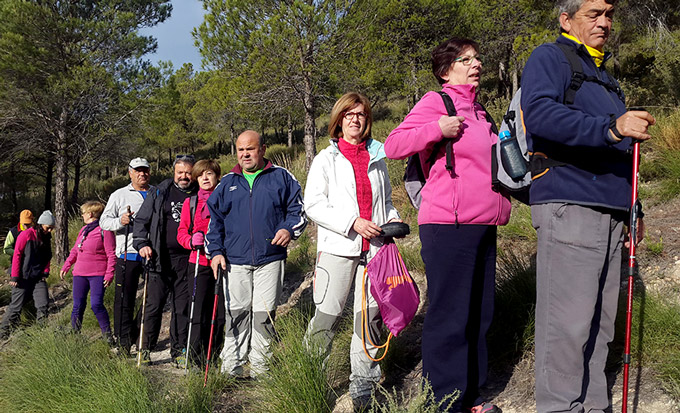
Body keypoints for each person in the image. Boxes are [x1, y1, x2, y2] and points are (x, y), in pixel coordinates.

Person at [520, 1, 655, 412]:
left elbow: (619, 152)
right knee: (568, 328)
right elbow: (539, 114)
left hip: (612, 211)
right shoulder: (550, 57)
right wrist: (611, 127)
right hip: (571, 205)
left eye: (609, 14)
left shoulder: (606, 77)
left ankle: (594, 407)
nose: (605, 22)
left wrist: (635, 205)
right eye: (594, 13)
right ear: (566, 19)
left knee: (599, 328)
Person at [385, 38, 511, 413]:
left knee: (479, 313)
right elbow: (394, 144)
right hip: (447, 224)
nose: (476, 64)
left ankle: (471, 395)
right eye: (465, 59)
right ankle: (446, 401)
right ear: (445, 70)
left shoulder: (482, 112)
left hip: (484, 223)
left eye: (477, 58)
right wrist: (437, 128)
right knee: (450, 315)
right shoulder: (435, 102)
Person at [303, 92, 402, 409]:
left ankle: (364, 388)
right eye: (348, 114)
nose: (355, 119)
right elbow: (314, 205)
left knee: (369, 319)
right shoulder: (325, 159)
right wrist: (353, 222)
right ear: (338, 120)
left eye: (360, 114)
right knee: (326, 319)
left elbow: (384, 204)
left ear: (367, 120)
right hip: (337, 250)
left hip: (374, 251)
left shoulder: (377, 158)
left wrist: (393, 221)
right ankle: (311, 378)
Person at [206, 130, 307, 378]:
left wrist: (288, 229)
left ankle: (261, 368)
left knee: (264, 314)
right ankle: (232, 366)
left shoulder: (282, 177)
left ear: (262, 149)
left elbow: (299, 211)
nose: (245, 154)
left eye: (250, 149)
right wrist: (216, 252)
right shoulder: (227, 183)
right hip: (234, 262)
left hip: (270, 259)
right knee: (237, 313)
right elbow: (213, 223)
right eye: (241, 150)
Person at [133, 154, 197, 366]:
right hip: (159, 258)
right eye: (180, 172)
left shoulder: (200, 193)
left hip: (187, 260)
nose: (184, 176)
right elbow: (142, 221)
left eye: (188, 172)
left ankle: (178, 350)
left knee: (182, 307)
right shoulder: (159, 192)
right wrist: (142, 244)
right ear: (174, 173)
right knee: (153, 305)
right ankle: (145, 348)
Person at [100, 157, 153, 354]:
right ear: (130, 172)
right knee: (124, 300)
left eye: (145, 170)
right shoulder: (119, 195)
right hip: (127, 253)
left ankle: (136, 335)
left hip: (152, 254)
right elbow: (104, 222)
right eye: (137, 170)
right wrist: (121, 221)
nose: (142, 174)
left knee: (153, 299)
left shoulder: (156, 193)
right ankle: (123, 343)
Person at [176, 159, 225, 368]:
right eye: (200, 175)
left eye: (209, 174)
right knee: (198, 311)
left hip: (223, 262)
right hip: (198, 262)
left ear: (216, 176)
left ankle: (213, 356)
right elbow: (181, 233)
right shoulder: (191, 203)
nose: (205, 178)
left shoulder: (226, 198)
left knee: (220, 313)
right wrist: (190, 241)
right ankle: (195, 357)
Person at [60, 201, 116, 343]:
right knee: (77, 305)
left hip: (97, 273)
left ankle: (107, 335)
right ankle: (75, 333)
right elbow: (75, 250)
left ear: (90, 214)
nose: (82, 216)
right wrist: (67, 265)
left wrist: (110, 273)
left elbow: (111, 253)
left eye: (83, 213)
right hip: (79, 273)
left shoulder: (105, 230)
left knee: (96, 304)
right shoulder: (84, 230)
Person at [0, 210, 55, 340]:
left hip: (38, 277)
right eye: (48, 227)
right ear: (41, 224)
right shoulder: (26, 235)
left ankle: (42, 332)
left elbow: (47, 256)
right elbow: (17, 255)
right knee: (15, 307)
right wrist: (15, 276)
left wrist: (45, 272)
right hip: (23, 278)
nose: (49, 230)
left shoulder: (46, 237)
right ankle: (3, 333)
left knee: (43, 304)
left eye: (52, 228)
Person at [3, 209, 34, 276]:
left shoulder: (35, 231)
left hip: (32, 265)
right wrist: (19, 253)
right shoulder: (13, 232)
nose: (27, 226)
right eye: (25, 224)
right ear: (20, 221)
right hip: (16, 263)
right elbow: (6, 249)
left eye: (29, 224)